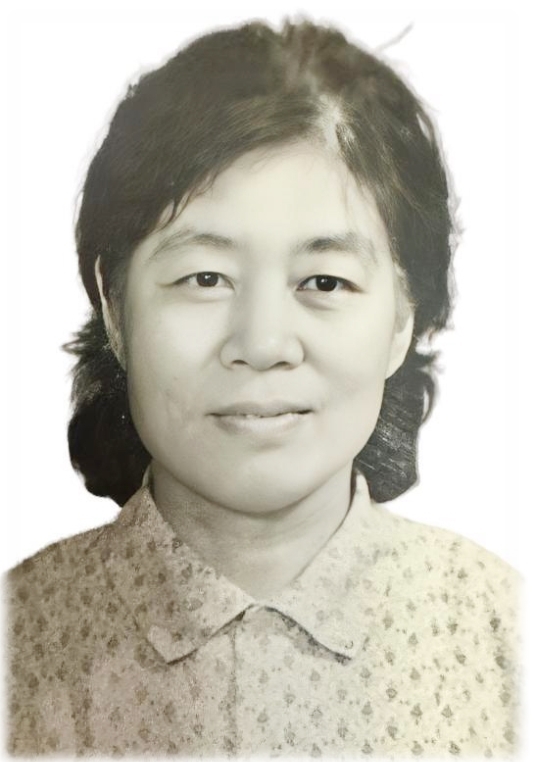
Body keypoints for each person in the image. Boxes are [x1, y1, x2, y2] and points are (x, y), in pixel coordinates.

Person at [6, 19, 519, 758]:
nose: (263, 343)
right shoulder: (18, 639)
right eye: (205, 277)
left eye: (325, 282)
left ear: (404, 318)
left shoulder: (504, 641)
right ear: (114, 308)